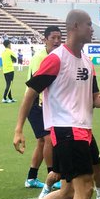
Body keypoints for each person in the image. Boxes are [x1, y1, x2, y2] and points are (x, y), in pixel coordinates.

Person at [7, 9, 100, 199]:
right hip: (66, 129)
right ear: (75, 26)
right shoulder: (56, 59)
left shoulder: (88, 62)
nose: (92, 29)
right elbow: (31, 92)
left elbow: (93, 97)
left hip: (84, 130)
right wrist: (19, 129)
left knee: (68, 192)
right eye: (89, 24)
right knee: (84, 188)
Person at [23, 26, 62, 189]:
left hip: (47, 104)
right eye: (53, 38)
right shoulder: (40, 57)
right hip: (36, 104)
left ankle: (31, 178)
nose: (57, 41)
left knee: (41, 142)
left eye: (59, 38)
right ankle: (53, 176)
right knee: (48, 140)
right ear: (45, 40)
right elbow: (37, 85)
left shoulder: (57, 56)